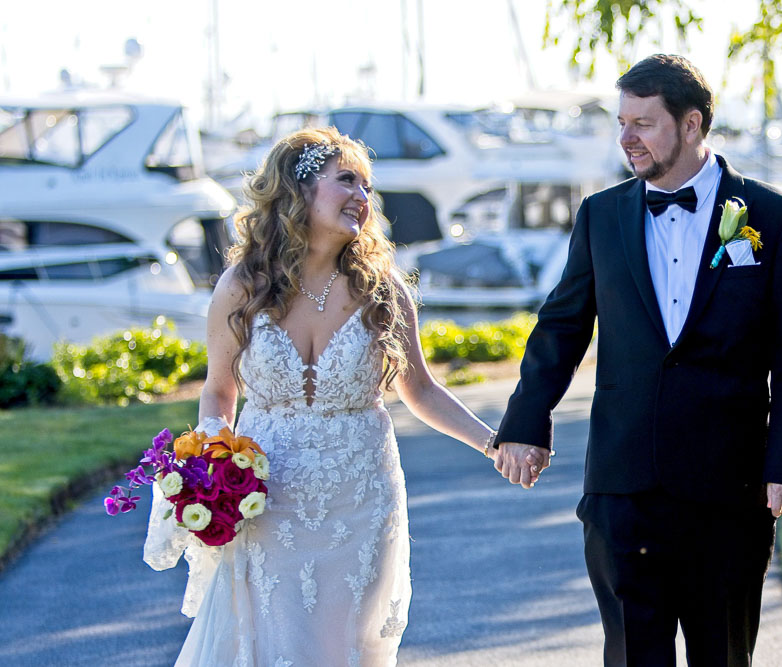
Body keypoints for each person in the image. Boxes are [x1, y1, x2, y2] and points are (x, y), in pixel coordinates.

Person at [492, 54, 782, 665]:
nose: (626, 138)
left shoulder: (772, 217)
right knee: (630, 655)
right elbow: (562, 325)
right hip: (623, 484)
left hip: (730, 486)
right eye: (622, 122)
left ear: (692, 124)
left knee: (721, 655)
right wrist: (525, 422)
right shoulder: (601, 215)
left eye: (642, 123)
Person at [143, 127, 518, 666]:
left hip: (360, 500)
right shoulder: (242, 286)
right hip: (266, 498)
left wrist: (495, 444)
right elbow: (219, 390)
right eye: (347, 181)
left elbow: (422, 390)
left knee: (344, 646)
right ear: (297, 190)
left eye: (368, 187)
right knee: (272, 640)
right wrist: (213, 463)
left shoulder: (382, 290)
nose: (363, 199)